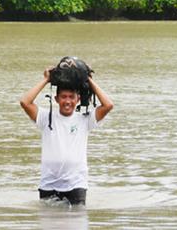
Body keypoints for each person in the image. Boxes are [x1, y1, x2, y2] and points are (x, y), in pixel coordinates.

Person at [20, 66, 113, 206]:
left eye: (71, 97)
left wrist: (88, 80)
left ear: (78, 99)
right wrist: (46, 80)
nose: (67, 101)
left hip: (76, 185)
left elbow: (108, 105)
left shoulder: (84, 119)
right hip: (48, 184)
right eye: (63, 97)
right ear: (56, 99)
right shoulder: (46, 117)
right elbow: (25, 102)